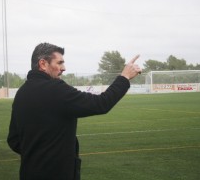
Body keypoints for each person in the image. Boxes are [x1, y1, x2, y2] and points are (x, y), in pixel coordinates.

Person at [7, 42, 142, 180]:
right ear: (43, 64)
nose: (63, 68)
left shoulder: (21, 93)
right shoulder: (56, 89)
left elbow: (13, 140)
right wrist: (124, 77)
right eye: (59, 63)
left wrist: (36, 155)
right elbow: (101, 104)